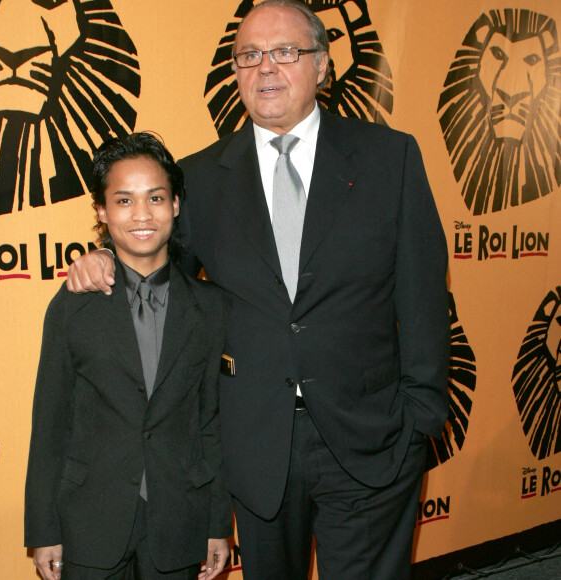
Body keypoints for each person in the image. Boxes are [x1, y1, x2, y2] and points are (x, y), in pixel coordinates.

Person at [66, 1, 450, 578]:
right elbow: (160, 272)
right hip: (255, 445)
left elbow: (423, 297)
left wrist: (419, 418)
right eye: (249, 55)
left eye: (285, 52)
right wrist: (104, 258)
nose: (265, 67)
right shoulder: (197, 178)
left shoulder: (388, 158)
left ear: (321, 65)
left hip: (375, 441)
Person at [25, 133, 231, 580]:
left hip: (179, 518)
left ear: (176, 204)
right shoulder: (72, 306)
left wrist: (217, 523)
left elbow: (209, 422)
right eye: (123, 200)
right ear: (101, 211)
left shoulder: (210, 307)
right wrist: (44, 529)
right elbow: (50, 424)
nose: (142, 214)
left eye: (155, 197)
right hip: (88, 520)